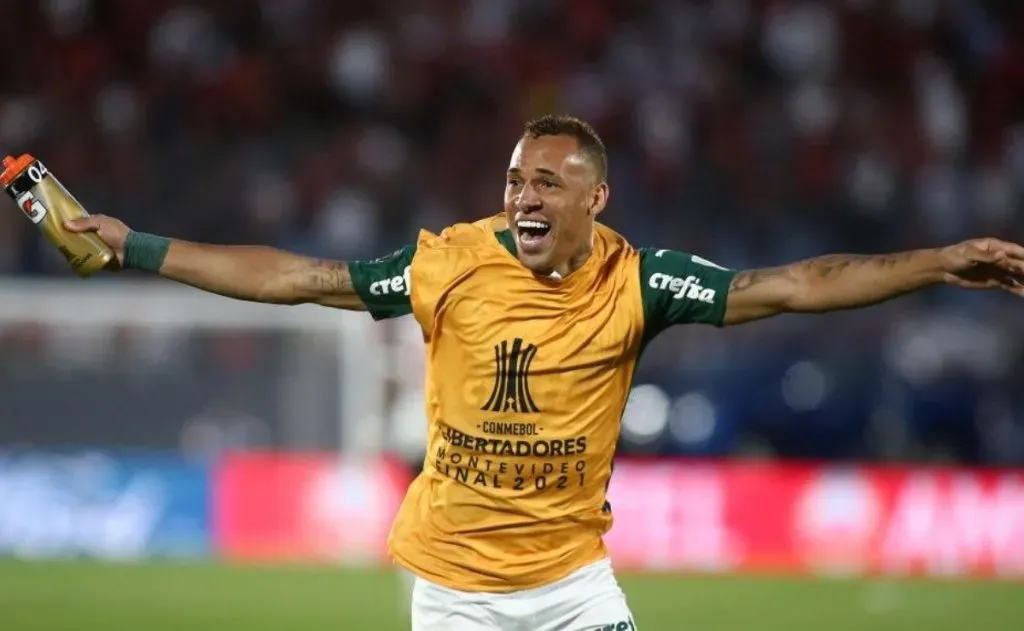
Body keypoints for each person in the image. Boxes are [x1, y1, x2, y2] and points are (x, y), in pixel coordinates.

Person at [67, 114, 1024, 630]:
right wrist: (136, 245)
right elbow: (298, 277)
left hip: (574, 588)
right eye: (517, 179)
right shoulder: (451, 259)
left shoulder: (642, 279)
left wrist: (940, 262)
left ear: (595, 198)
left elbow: (796, 286)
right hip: (455, 596)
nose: (523, 196)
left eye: (547, 183)